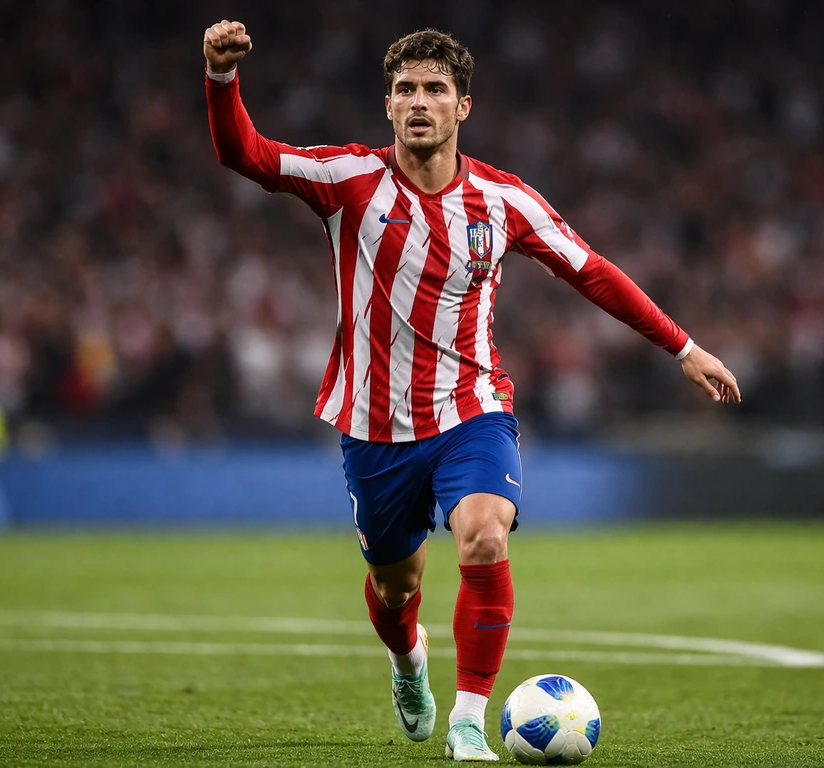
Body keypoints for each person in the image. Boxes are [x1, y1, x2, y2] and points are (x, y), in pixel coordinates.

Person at [203, 20, 740, 761]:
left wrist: (683, 346)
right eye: (405, 90)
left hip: (472, 407)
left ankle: (468, 721)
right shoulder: (347, 180)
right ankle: (407, 661)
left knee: (485, 536)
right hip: (375, 424)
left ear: (463, 107)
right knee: (395, 588)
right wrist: (221, 78)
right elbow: (245, 153)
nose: (419, 102)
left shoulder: (503, 199)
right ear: (388, 105)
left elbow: (590, 270)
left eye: (435, 89)